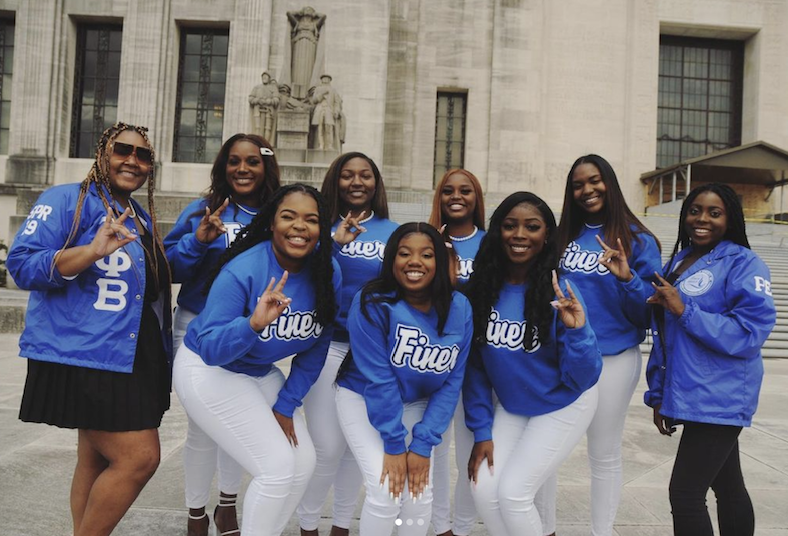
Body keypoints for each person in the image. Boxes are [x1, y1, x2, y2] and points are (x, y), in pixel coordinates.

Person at [8, 122, 171, 536]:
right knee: (139, 458)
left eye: (144, 155)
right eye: (123, 150)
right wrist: (90, 251)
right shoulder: (65, 199)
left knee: (95, 459)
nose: (133, 160)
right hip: (86, 353)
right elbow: (22, 265)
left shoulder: (137, 216)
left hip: (127, 354)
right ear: (102, 153)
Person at [173, 183, 340, 536]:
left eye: (311, 219)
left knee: (303, 462)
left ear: (322, 230)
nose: (299, 226)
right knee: (277, 467)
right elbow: (211, 348)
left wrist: (286, 404)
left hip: (256, 371)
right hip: (207, 369)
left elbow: (317, 344)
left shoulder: (327, 271)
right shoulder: (243, 270)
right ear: (271, 223)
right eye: (288, 216)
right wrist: (252, 325)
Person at [463, 191, 602, 536]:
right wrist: (482, 430)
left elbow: (584, 377)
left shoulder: (561, 289)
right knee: (483, 489)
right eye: (510, 226)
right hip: (515, 405)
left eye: (532, 227)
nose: (520, 235)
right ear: (498, 232)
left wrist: (578, 331)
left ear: (546, 236)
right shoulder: (481, 289)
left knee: (513, 494)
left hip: (564, 401)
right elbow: (476, 370)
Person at [537, 154, 661, 536]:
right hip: (562, 359)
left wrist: (626, 278)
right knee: (545, 455)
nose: (587, 190)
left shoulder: (638, 240)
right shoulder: (560, 238)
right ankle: (544, 530)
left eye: (595, 181)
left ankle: (601, 531)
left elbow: (647, 315)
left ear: (609, 182)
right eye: (578, 184)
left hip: (613, 360)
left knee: (603, 453)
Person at [164, 133, 281, 536]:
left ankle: (227, 506)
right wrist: (197, 242)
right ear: (223, 166)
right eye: (234, 161)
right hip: (196, 325)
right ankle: (196, 513)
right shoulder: (204, 210)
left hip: (247, 331)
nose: (243, 169)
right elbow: (168, 268)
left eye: (252, 161)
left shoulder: (276, 214)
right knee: (202, 426)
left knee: (238, 418)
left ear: (266, 167)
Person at [644, 183, 775, 536]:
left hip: (722, 394)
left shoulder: (745, 263)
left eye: (714, 213)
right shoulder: (679, 261)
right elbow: (665, 337)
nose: (702, 219)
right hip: (691, 392)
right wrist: (660, 395)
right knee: (728, 487)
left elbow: (750, 332)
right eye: (694, 210)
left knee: (685, 493)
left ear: (729, 218)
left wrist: (685, 309)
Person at [336, 222, 473, 536]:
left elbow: (452, 380)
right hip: (363, 398)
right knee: (386, 492)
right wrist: (395, 446)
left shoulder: (460, 307)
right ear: (391, 259)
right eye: (404, 253)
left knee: (418, 493)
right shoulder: (372, 301)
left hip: (418, 402)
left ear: (439, 262)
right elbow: (379, 379)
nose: (415, 261)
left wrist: (422, 445)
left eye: (426, 254)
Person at [298, 152, 398, 536]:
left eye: (366, 175)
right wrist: (334, 243)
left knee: (358, 450)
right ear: (334, 181)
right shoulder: (316, 225)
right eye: (347, 175)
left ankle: (341, 525)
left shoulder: (393, 231)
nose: (357, 182)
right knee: (326, 448)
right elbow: (306, 275)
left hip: (371, 354)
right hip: (326, 346)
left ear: (377, 183)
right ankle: (308, 525)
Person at [427, 168, 486, 536]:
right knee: (434, 445)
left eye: (465, 190)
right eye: (448, 190)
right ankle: (438, 524)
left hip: (480, 359)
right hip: (435, 358)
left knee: (470, 447)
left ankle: (462, 527)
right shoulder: (427, 238)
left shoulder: (493, 242)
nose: (456, 196)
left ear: (477, 197)